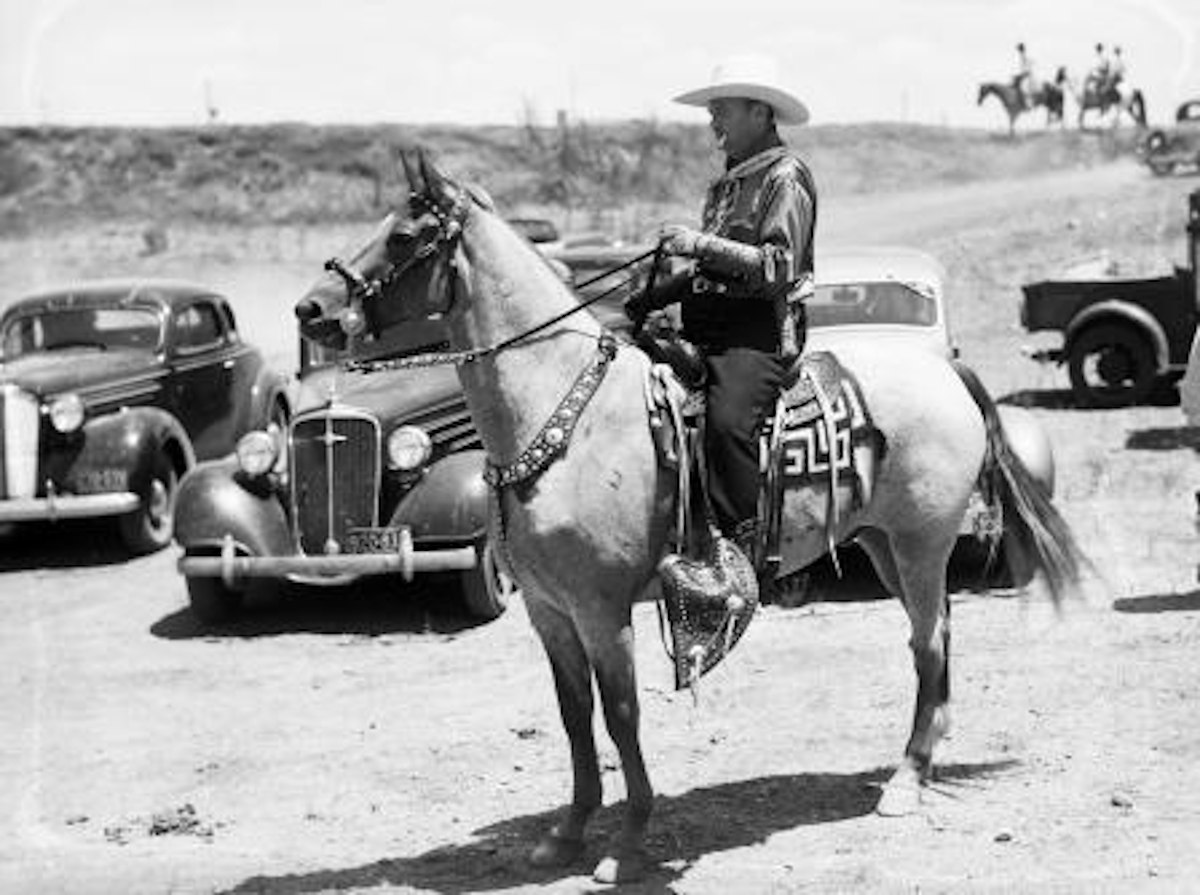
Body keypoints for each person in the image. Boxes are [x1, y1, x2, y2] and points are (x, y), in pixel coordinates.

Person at [625, 53, 817, 560]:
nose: (713, 124)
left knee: (729, 423)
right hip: (708, 327)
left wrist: (700, 244)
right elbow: (708, 273)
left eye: (722, 112)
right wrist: (648, 300)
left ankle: (743, 554)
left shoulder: (785, 178)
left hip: (756, 334)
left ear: (759, 113)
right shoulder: (730, 182)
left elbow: (778, 266)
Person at [1014, 42, 1038, 109]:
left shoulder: (1025, 56)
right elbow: (1022, 67)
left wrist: (1027, 71)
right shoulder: (1021, 56)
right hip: (1023, 74)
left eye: (1019, 49)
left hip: (1027, 74)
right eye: (1019, 50)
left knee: (1025, 89)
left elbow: (1030, 63)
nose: (1019, 51)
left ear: (1022, 49)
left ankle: (1029, 103)